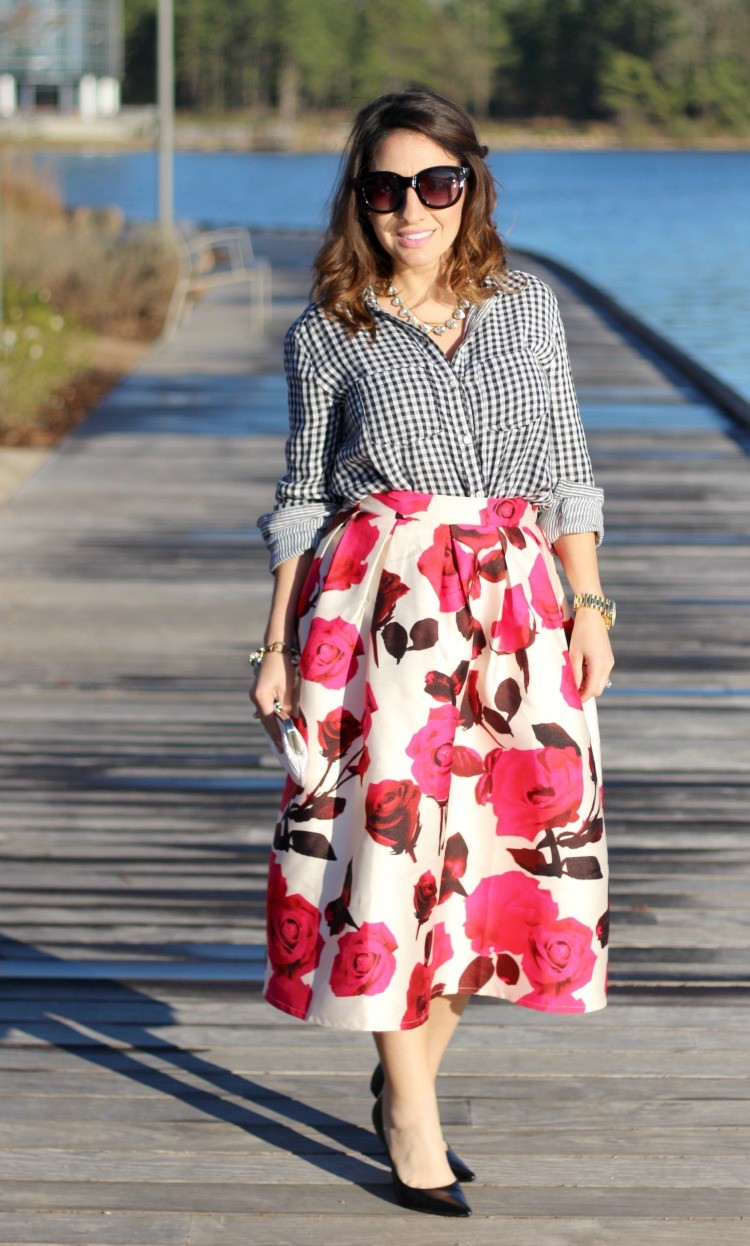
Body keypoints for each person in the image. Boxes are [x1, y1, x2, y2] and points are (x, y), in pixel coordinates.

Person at [251, 87, 615, 1218]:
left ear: (472, 185)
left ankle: (406, 1066)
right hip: (381, 614)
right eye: (386, 188)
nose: (413, 209)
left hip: (517, 611)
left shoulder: (530, 308)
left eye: (435, 184)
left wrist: (591, 602)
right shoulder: (329, 330)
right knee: (392, 858)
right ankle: (413, 1112)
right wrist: (273, 644)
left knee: (505, 866)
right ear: (359, 198)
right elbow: (304, 496)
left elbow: (567, 465)